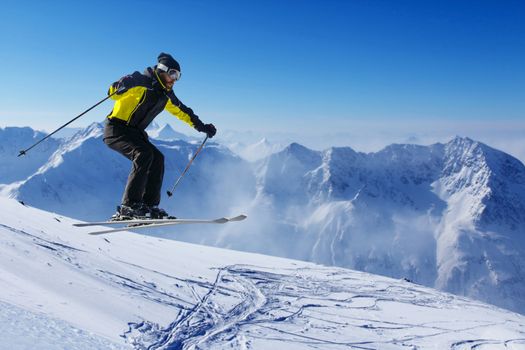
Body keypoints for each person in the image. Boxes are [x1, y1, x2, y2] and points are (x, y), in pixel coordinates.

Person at [103, 52, 216, 219]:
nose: (175, 79)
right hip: (116, 129)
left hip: (136, 134)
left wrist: (202, 127)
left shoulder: (165, 95)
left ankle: (149, 206)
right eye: (173, 74)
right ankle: (130, 206)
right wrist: (122, 83)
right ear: (162, 70)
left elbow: (182, 111)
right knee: (143, 154)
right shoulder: (140, 82)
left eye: (178, 76)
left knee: (157, 158)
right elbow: (112, 93)